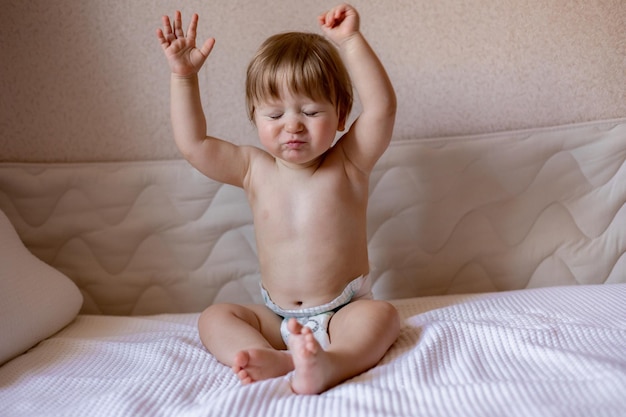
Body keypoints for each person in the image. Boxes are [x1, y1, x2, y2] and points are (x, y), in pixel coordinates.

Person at [156, 3, 400, 395]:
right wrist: (183, 78)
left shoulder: (349, 162)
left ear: (340, 115)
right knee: (214, 318)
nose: (292, 126)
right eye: (274, 115)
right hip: (277, 318)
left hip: (343, 312)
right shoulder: (254, 169)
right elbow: (194, 144)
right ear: (254, 117)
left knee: (383, 316)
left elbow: (382, 109)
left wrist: (350, 40)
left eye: (309, 111)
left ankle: (332, 362)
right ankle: (272, 356)